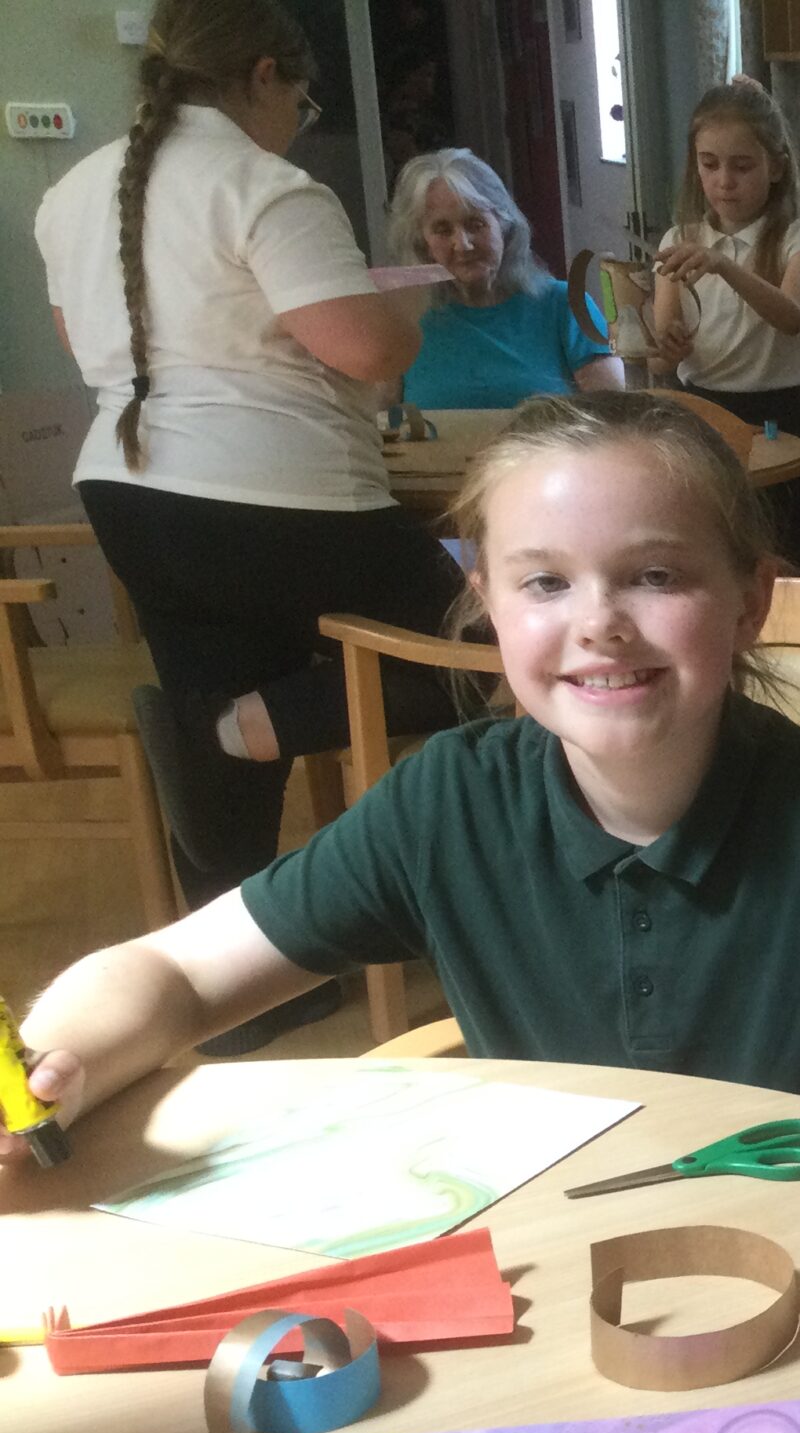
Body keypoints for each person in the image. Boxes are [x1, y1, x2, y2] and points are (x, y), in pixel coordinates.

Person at [3, 393, 800, 1175]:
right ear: (489, 606)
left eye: (655, 574)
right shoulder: (446, 805)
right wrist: (54, 1067)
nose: (597, 622)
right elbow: (176, 975)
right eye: (545, 582)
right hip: (551, 1279)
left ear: (749, 601)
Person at [34, 0, 466, 1051]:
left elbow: (83, 344)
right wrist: (401, 310)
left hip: (129, 493)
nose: (298, 119)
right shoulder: (267, 186)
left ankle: (232, 1000)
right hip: (284, 494)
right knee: (493, 643)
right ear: (263, 74)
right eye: (300, 98)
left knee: (214, 679)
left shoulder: (72, 193)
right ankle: (251, 723)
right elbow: (366, 352)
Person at [650, 77, 800, 576]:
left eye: (742, 165)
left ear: (776, 167)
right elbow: (659, 353)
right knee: (715, 561)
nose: (724, 181)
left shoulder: (799, 238)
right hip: (703, 415)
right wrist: (668, 345)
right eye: (709, 165)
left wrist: (724, 265)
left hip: (780, 416)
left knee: (791, 562)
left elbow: (791, 317)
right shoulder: (680, 237)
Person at [388, 147, 622, 410]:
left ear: (505, 225)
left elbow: (614, 417)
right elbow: (378, 429)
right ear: (423, 244)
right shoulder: (403, 323)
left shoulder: (566, 305)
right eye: (442, 230)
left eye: (475, 224)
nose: (462, 244)